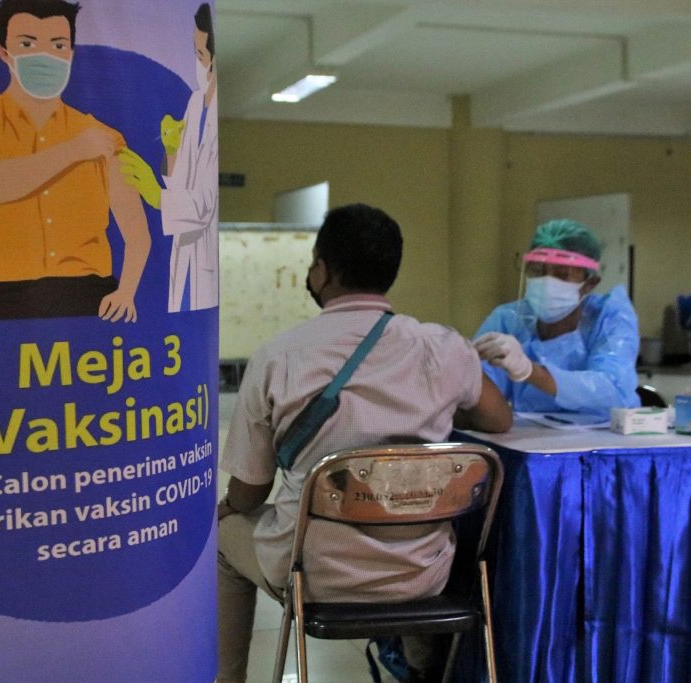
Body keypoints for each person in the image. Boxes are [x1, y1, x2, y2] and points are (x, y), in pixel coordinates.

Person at [216, 204, 512, 682]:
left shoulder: (279, 357)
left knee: (222, 543)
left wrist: (228, 508)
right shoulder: (442, 347)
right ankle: (421, 669)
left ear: (322, 271)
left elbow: (250, 489)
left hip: (316, 576)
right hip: (423, 574)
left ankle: (226, 679)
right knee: (410, 511)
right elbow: (498, 419)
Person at [0, 0, 151, 322]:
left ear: (71, 53)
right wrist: (72, 152)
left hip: (84, 295)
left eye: (58, 44)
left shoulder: (103, 137)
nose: (44, 55)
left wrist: (127, 292)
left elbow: (135, 230)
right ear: (4, 52)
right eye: (27, 43)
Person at [473, 219, 640, 417]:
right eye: (537, 270)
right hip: (530, 439)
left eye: (563, 273)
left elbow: (612, 391)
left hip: (605, 438)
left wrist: (529, 371)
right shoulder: (509, 320)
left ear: (589, 284)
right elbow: (475, 389)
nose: (546, 282)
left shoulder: (609, 317)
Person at [119, 3, 218, 313]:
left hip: (202, 253)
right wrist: (172, 152)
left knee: (190, 316)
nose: (198, 63)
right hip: (184, 248)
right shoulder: (195, 104)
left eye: (201, 55)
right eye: (195, 53)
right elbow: (183, 185)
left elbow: (203, 206)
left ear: (214, 61)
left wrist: (154, 194)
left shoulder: (215, 115)